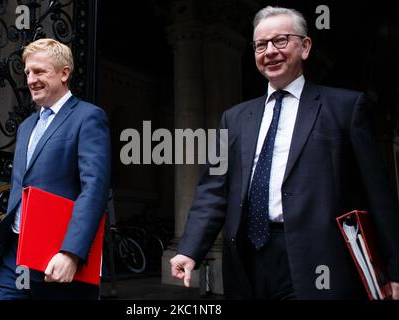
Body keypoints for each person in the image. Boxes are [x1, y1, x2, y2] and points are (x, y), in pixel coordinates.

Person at [170, 6, 399, 299]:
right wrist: (190, 250)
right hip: (246, 261)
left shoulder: (345, 107)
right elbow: (214, 189)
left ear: (305, 47)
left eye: (281, 41)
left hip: (317, 260)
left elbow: (377, 193)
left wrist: (393, 269)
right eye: (261, 45)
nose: (270, 51)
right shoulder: (235, 118)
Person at [0, 38, 111, 299]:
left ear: (64, 73)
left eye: (39, 71)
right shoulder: (26, 126)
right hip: (14, 258)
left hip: (57, 258)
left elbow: (94, 189)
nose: (30, 79)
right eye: (27, 72)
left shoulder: (88, 117)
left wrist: (71, 252)